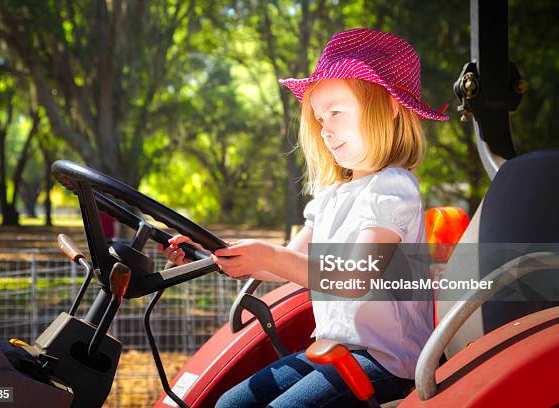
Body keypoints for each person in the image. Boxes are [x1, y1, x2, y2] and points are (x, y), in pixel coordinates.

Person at [158, 28, 449, 407]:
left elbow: (355, 277)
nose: (325, 130)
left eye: (336, 113)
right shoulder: (331, 195)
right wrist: (214, 253)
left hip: (384, 363)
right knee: (228, 403)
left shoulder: (392, 188)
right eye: (319, 118)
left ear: (390, 106)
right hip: (333, 352)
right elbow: (282, 268)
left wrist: (272, 257)